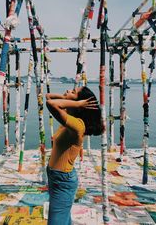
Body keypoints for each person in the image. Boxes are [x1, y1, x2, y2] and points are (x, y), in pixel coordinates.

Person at [45, 86, 103, 225]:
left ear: (80, 103)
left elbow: (50, 103)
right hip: (57, 177)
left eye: (73, 92)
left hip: (62, 181)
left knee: (57, 220)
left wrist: (76, 103)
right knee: (62, 219)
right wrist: (68, 98)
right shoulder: (69, 118)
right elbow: (48, 96)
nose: (68, 91)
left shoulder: (78, 125)